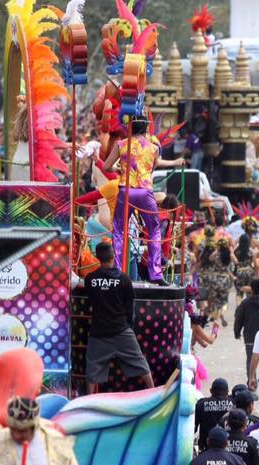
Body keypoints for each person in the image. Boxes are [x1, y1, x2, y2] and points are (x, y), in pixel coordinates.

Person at [103, 116, 186, 279]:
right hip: (145, 192)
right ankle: (155, 273)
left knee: (119, 230)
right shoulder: (153, 147)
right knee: (154, 230)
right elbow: (152, 168)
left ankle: (118, 272)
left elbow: (106, 167)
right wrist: (176, 161)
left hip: (126, 191)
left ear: (130, 128)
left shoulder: (121, 145)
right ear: (146, 129)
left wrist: (118, 168)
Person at [84, 242, 155, 394]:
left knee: (92, 368)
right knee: (140, 363)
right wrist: (128, 326)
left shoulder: (90, 279)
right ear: (113, 256)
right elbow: (130, 307)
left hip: (99, 332)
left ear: (97, 258)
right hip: (121, 330)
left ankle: (87, 401)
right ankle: (154, 393)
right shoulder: (124, 279)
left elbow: (90, 299)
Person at [234, 278, 259, 378]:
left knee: (251, 360)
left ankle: (251, 381)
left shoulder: (245, 303)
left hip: (250, 336)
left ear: (252, 290)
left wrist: (237, 332)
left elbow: (239, 319)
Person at [194, 378, 235, 453]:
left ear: (211, 391)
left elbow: (194, 427)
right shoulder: (234, 404)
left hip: (206, 448)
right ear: (227, 392)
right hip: (229, 448)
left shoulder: (201, 404)